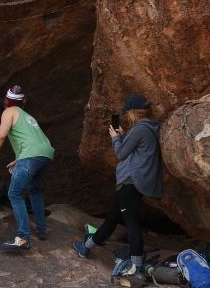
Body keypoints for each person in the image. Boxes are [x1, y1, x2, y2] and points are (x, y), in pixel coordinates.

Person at [72, 94, 163, 281]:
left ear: (132, 113)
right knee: (112, 217)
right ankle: (86, 247)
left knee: (131, 222)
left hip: (131, 181)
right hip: (135, 182)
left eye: (127, 113)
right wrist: (123, 137)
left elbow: (121, 153)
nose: (127, 116)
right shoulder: (151, 129)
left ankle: (136, 265)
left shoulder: (140, 130)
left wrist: (115, 138)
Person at [0, 85, 54, 251]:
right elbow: (34, 141)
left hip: (31, 155)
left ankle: (23, 237)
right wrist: (18, 159)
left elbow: (1, 136)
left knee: (14, 193)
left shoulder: (8, 112)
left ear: (7, 101)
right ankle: (41, 230)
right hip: (46, 154)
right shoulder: (28, 116)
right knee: (34, 190)